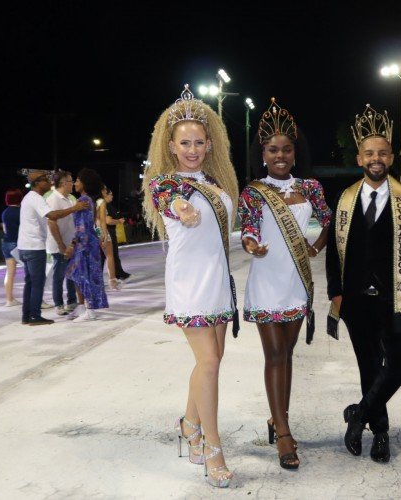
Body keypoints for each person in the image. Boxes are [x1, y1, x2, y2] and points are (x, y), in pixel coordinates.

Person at [326, 104, 401, 464]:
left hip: (400, 296)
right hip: (357, 300)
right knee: (369, 365)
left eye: (382, 153)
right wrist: (336, 293)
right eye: (369, 153)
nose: (376, 159)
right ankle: (381, 434)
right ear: (360, 157)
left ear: (392, 156)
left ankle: (359, 413)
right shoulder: (344, 199)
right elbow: (333, 251)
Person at [142, 84, 239, 488]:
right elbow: (175, 206)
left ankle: (189, 425)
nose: (193, 149)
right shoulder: (164, 183)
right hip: (189, 283)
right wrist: (183, 209)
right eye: (185, 143)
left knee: (210, 361)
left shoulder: (218, 181)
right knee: (211, 363)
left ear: (209, 143)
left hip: (218, 279)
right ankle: (213, 448)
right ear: (171, 143)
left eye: (199, 142)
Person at [238, 98, 332, 470]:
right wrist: (250, 244)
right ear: (263, 153)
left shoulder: (310, 187)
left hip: (297, 282)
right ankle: (284, 433)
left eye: (286, 149)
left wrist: (316, 247)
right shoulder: (253, 191)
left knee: (288, 355)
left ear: (295, 152)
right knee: (275, 355)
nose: (280, 155)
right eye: (273, 149)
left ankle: (277, 419)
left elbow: (327, 220)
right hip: (266, 280)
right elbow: (247, 228)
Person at [17, 170, 88, 325]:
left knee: (30, 282)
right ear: (37, 183)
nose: (49, 183)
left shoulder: (31, 198)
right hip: (34, 246)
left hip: (26, 246)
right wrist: (74, 209)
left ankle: (26, 315)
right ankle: (35, 315)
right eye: (45, 180)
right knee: (37, 282)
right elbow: (52, 216)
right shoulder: (36, 198)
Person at [66, 169, 109, 321]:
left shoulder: (84, 201)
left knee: (85, 275)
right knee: (79, 274)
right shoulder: (87, 199)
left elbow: (82, 226)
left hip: (85, 244)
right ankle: (84, 306)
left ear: (85, 183)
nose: (75, 183)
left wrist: (75, 245)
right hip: (87, 242)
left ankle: (90, 309)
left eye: (77, 180)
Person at [46, 170, 78, 315]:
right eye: (71, 181)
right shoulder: (54, 199)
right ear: (64, 183)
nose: (73, 183)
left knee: (71, 273)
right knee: (59, 275)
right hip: (59, 244)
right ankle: (58, 303)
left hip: (70, 243)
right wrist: (61, 244)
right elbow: (51, 223)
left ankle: (72, 301)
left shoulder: (69, 199)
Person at [101, 187, 131, 281]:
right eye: (111, 194)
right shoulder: (104, 205)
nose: (112, 196)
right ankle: (117, 275)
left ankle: (117, 273)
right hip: (108, 232)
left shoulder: (106, 204)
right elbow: (108, 221)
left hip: (107, 232)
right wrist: (118, 221)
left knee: (108, 255)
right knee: (111, 254)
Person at [1, 188, 23, 306]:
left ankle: (9, 299)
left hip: (6, 242)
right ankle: (38, 299)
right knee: (30, 272)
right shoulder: (21, 211)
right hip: (18, 243)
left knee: (10, 272)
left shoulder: (5, 212)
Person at [95, 185, 120, 291]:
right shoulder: (101, 201)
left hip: (93, 230)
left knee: (97, 258)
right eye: (105, 189)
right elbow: (104, 220)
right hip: (100, 230)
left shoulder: (92, 200)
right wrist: (105, 234)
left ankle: (97, 282)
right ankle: (112, 281)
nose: (106, 191)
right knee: (110, 256)